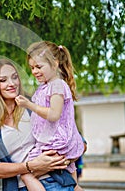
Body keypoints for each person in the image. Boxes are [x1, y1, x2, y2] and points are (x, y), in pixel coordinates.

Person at [0, 58, 79, 191]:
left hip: (56, 182)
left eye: (14, 77)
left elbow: (79, 141)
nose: (12, 83)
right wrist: (30, 166)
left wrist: (58, 161)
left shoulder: (35, 105)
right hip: (21, 187)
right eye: (3, 80)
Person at [15, 41, 85, 190]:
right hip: (56, 140)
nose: (34, 71)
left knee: (26, 174)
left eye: (39, 67)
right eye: (32, 67)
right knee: (70, 174)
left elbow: (54, 114)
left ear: (55, 64)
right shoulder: (46, 87)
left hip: (55, 142)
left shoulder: (57, 85)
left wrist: (28, 105)